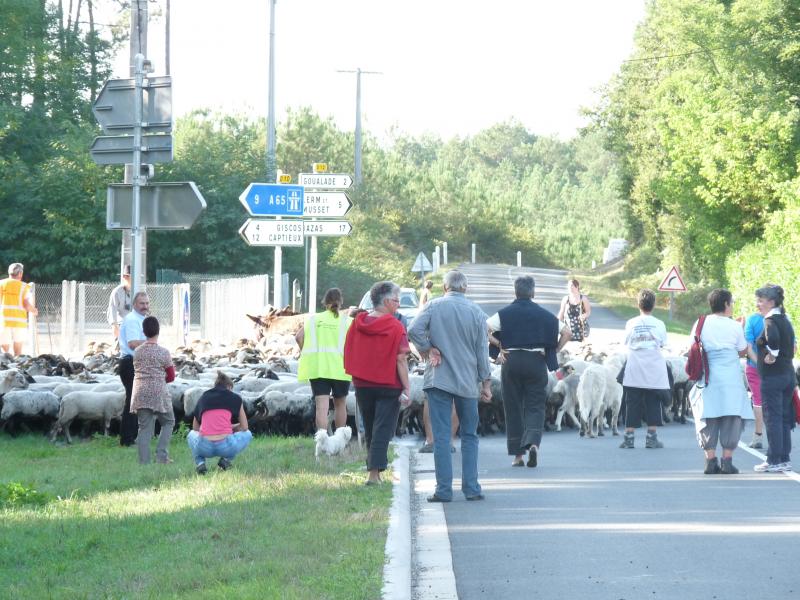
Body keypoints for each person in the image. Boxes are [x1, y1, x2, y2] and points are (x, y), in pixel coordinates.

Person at [408, 270, 492, 502]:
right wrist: (486, 382)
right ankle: (471, 488)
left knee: (442, 436)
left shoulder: (433, 306)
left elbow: (413, 329)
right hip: (467, 382)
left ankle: (444, 490)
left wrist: (427, 348)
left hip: (439, 379)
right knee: (470, 435)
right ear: (465, 288)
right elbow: (482, 351)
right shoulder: (477, 312)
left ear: (445, 288)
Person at [487, 275, 571, 468]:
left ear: (515, 292)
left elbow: (484, 328)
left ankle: (518, 456)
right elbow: (567, 332)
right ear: (533, 292)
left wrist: (500, 344)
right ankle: (533, 443)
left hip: (511, 360)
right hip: (536, 361)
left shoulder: (504, 313)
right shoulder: (545, 315)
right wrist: (554, 350)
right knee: (536, 406)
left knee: (513, 407)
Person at [344, 281, 410, 485]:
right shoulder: (395, 326)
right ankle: (373, 474)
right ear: (387, 301)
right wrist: (407, 387)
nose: (398, 304)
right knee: (383, 429)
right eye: (397, 300)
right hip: (388, 384)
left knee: (370, 427)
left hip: (363, 383)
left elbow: (350, 348)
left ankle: (374, 471)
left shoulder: (358, 323)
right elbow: (401, 359)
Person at [689, 289, 753, 475]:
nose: (732, 306)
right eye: (732, 303)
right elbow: (742, 350)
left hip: (708, 376)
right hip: (731, 377)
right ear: (725, 304)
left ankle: (710, 460)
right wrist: (740, 328)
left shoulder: (700, 322)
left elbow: (692, 346)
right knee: (732, 416)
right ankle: (727, 461)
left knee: (708, 414)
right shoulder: (734, 326)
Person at [751, 285, 796, 473]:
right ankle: (784, 458)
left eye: (760, 301)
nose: (758, 304)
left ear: (771, 302)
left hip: (773, 377)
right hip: (788, 375)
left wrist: (773, 353)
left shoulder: (770, 320)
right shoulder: (785, 318)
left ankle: (773, 459)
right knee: (784, 417)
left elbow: (774, 339)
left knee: (772, 418)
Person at [296, 288, 353, 433]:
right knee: (340, 405)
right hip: (341, 369)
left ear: (324, 302)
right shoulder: (348, 321)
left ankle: (321, 441)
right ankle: (340, 440)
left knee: (321, 408)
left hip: (318, 369)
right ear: (341, 302)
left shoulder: (313, 320)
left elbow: (298, 337)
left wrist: (305, 352)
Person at [619, 289, 669, 449]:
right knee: (653, 400)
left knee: (632, 401)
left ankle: (629, 437)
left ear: (638, 304)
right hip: (654, 364)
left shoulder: (631, 323)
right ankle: (651, 437)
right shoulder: (659, 324)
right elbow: (663, 343)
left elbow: (625, 342)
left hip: (635, 363)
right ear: (653, 305)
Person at [188, 371, 253, 474]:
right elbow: (244, 427)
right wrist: (233, 427)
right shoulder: (235, 398)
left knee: (191, 435)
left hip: (204, 446)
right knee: (248, 434)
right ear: (229, 387)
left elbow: (195, 428)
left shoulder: (204, 397)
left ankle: (200, 463)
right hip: (226, 446)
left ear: (215, 386)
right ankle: (226, 460)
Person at [131, 316, 176, 465]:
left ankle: (144, 462)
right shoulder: (164, 352)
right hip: (159, 392)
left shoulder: (137, 352)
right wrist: (159, 380)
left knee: (144, 427)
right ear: (158, 331)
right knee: (168, 421)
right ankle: (161, 456)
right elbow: (171, 376)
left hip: (140, 392)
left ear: (143, 331)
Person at [118, 291, 150, 446]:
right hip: (130, 363)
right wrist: (152, 343)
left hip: (136, 362)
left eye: (147, 303)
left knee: (135, 401)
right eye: (142, 303)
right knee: (132, 401)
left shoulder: (141, 319)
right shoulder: (132, 320)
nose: (145, 306)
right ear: (135, 304)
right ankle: (127, 439)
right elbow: (132, 343)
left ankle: (131, 437)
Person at [0, 263, 38, 356]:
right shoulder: (24, 286)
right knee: (18, 352)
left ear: (9, 272)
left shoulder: (1, 284)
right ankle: (16, 363)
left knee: (4, 352)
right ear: (20, 273)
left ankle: (6, 363)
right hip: (19, 322)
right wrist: (34, 311)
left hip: (3, 321)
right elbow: (26, 305)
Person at [744, 308, 765, 448]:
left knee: (758, 401)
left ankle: (758, 437)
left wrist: (759, 364)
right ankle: (779, 439)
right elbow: (793, 347)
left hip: (754, 367)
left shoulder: (752, 319)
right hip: (777, 369)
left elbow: (748, 347)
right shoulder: (784, 318)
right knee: (775, 401)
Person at [107, 265, 132, 341]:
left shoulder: (138, 291)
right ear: (124, 277)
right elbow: (112, 309)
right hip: (122, 323)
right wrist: (114, 326)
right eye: (128, 276)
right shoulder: (117, 291)